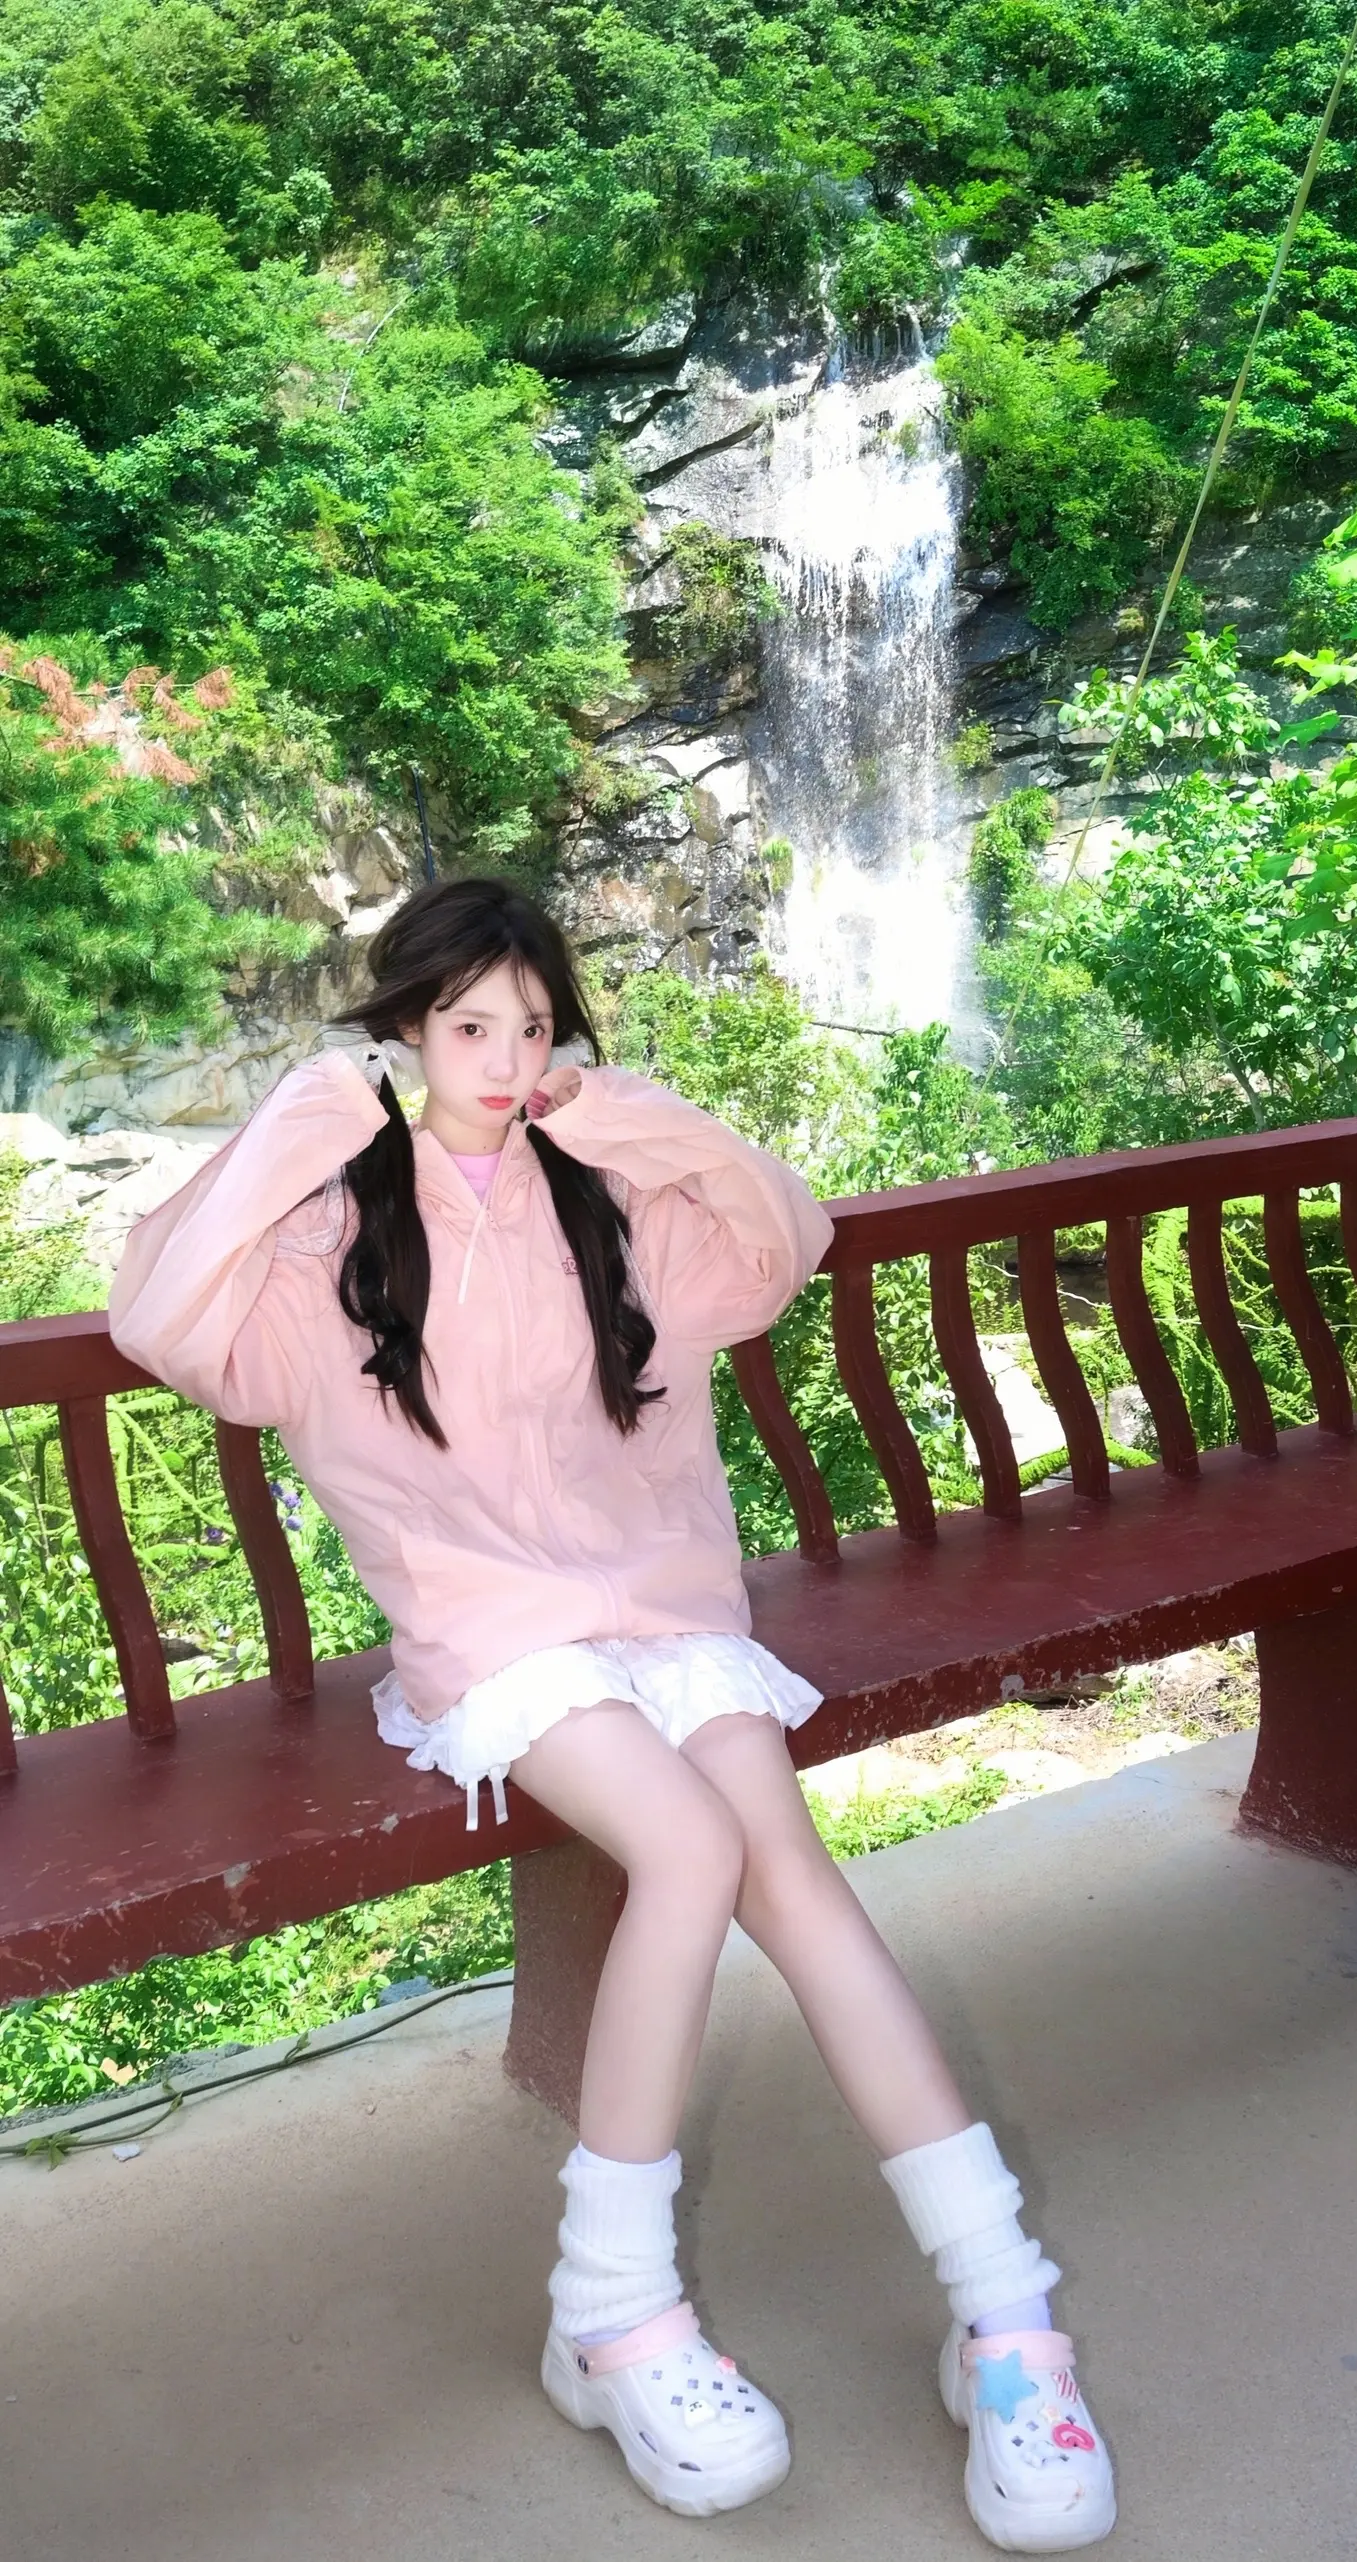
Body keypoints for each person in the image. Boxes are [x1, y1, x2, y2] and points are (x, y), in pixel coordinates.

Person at [109, 876, 1114, 2550]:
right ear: (406, 1030)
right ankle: (615, 2310)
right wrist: (314, 1114)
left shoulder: (608, 1196)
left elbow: (786, 1236)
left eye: (532, 1026)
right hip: (492, 1629)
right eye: (466, 1026)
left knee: (791, 1871)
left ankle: (1006, 2313)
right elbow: (157, 1315)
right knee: (690, 1848)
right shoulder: (333, 1234)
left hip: (662, 1603)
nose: (505, 1061)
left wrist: (621, 1112)